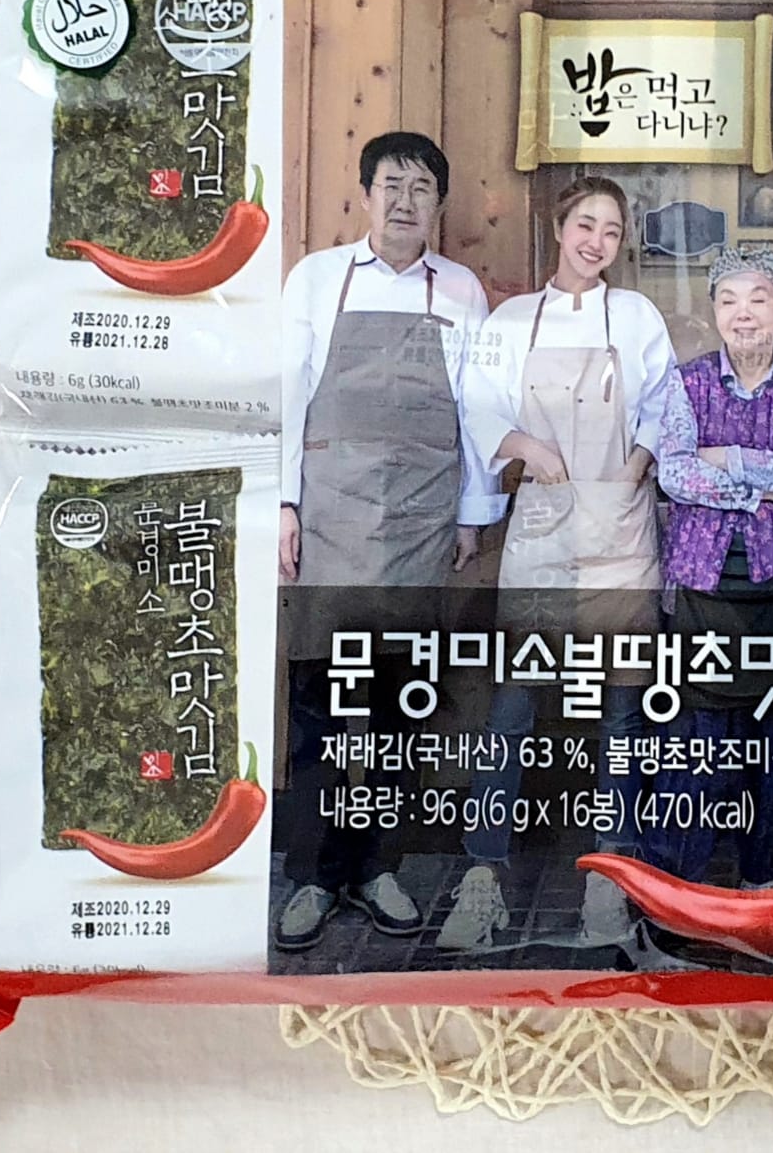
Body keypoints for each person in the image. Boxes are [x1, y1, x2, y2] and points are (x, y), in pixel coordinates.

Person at [275, 131, 505, 951]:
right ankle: (314, 876)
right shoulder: (316, 279)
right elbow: (288, 392)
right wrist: (283, 502)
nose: (405, 201)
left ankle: (378, 868)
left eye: (421, 189)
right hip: (329, 519)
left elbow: (478, 404)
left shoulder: (461, 289)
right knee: (320, 708)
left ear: (439, 204)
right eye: (391, 185)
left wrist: (474, 511)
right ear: (366, 193)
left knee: (401, 706)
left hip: (419, 520)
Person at [440, 175, 674, 950]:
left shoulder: (635, 316)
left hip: (620, 531)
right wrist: (523, 446)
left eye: (611, 230)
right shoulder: (512, 320)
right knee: (513, 704)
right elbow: (479, 405)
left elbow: (664, 405)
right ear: (557, 226)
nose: (596, 241)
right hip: (541, 528)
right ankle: (483, 873)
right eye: (585, 224)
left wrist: (635, 465)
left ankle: (610, 877)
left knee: (621, 711)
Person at [646, 245, 773, 898]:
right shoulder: (687, 381)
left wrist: (726, 456)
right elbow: (674, 471)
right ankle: (679, 891)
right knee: (695, 747)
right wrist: (757, 490)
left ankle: (763, 879)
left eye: (758, 299)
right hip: (704, 584)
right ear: (714, 312)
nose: (743, 313)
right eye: (728, 300)